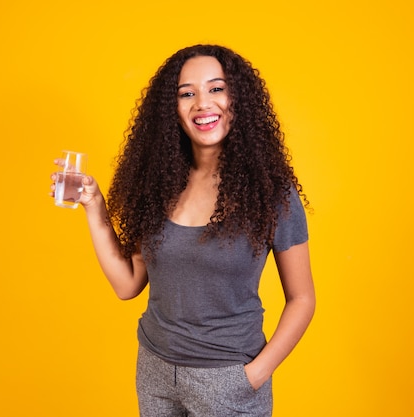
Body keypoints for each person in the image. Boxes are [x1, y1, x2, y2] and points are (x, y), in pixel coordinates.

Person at [52, 44, 315, 417]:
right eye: (186, 94)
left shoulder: (271, 191)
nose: (202, 103)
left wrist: (254, 375)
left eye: (216, 88)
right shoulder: (159, 184)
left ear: (238, 98)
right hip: (155, 371)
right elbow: (127, 285)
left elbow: (302, 299)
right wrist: (94, 205)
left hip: (228, 379)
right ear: (171, 110)